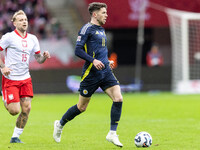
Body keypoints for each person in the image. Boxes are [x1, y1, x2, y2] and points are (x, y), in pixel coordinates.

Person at [53, 2, 123, 147]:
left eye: (106, 12)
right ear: (95, 14)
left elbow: (99, 51)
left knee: (118, 98)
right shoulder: (86, 29)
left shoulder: (101, 30)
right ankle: (60, 124)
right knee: (81, 107)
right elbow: (78, 50)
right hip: (91, 74)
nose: (106, 15)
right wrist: (93, 60)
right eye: (103, 12)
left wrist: (106, 61)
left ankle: (112, 133)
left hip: (105, 72)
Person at [0, 10, 50, 143]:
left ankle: (15, 137)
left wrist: (44, 57)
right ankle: (4, 95)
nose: (24, 22)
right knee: (14, 110)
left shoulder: (33, 39)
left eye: (26, 20)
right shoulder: (9, 37)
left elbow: (38, 59)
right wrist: (3, 67)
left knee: (27, 108)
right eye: (21, 20)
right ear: (14, 23)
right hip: (11, 78)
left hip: (25, 78)